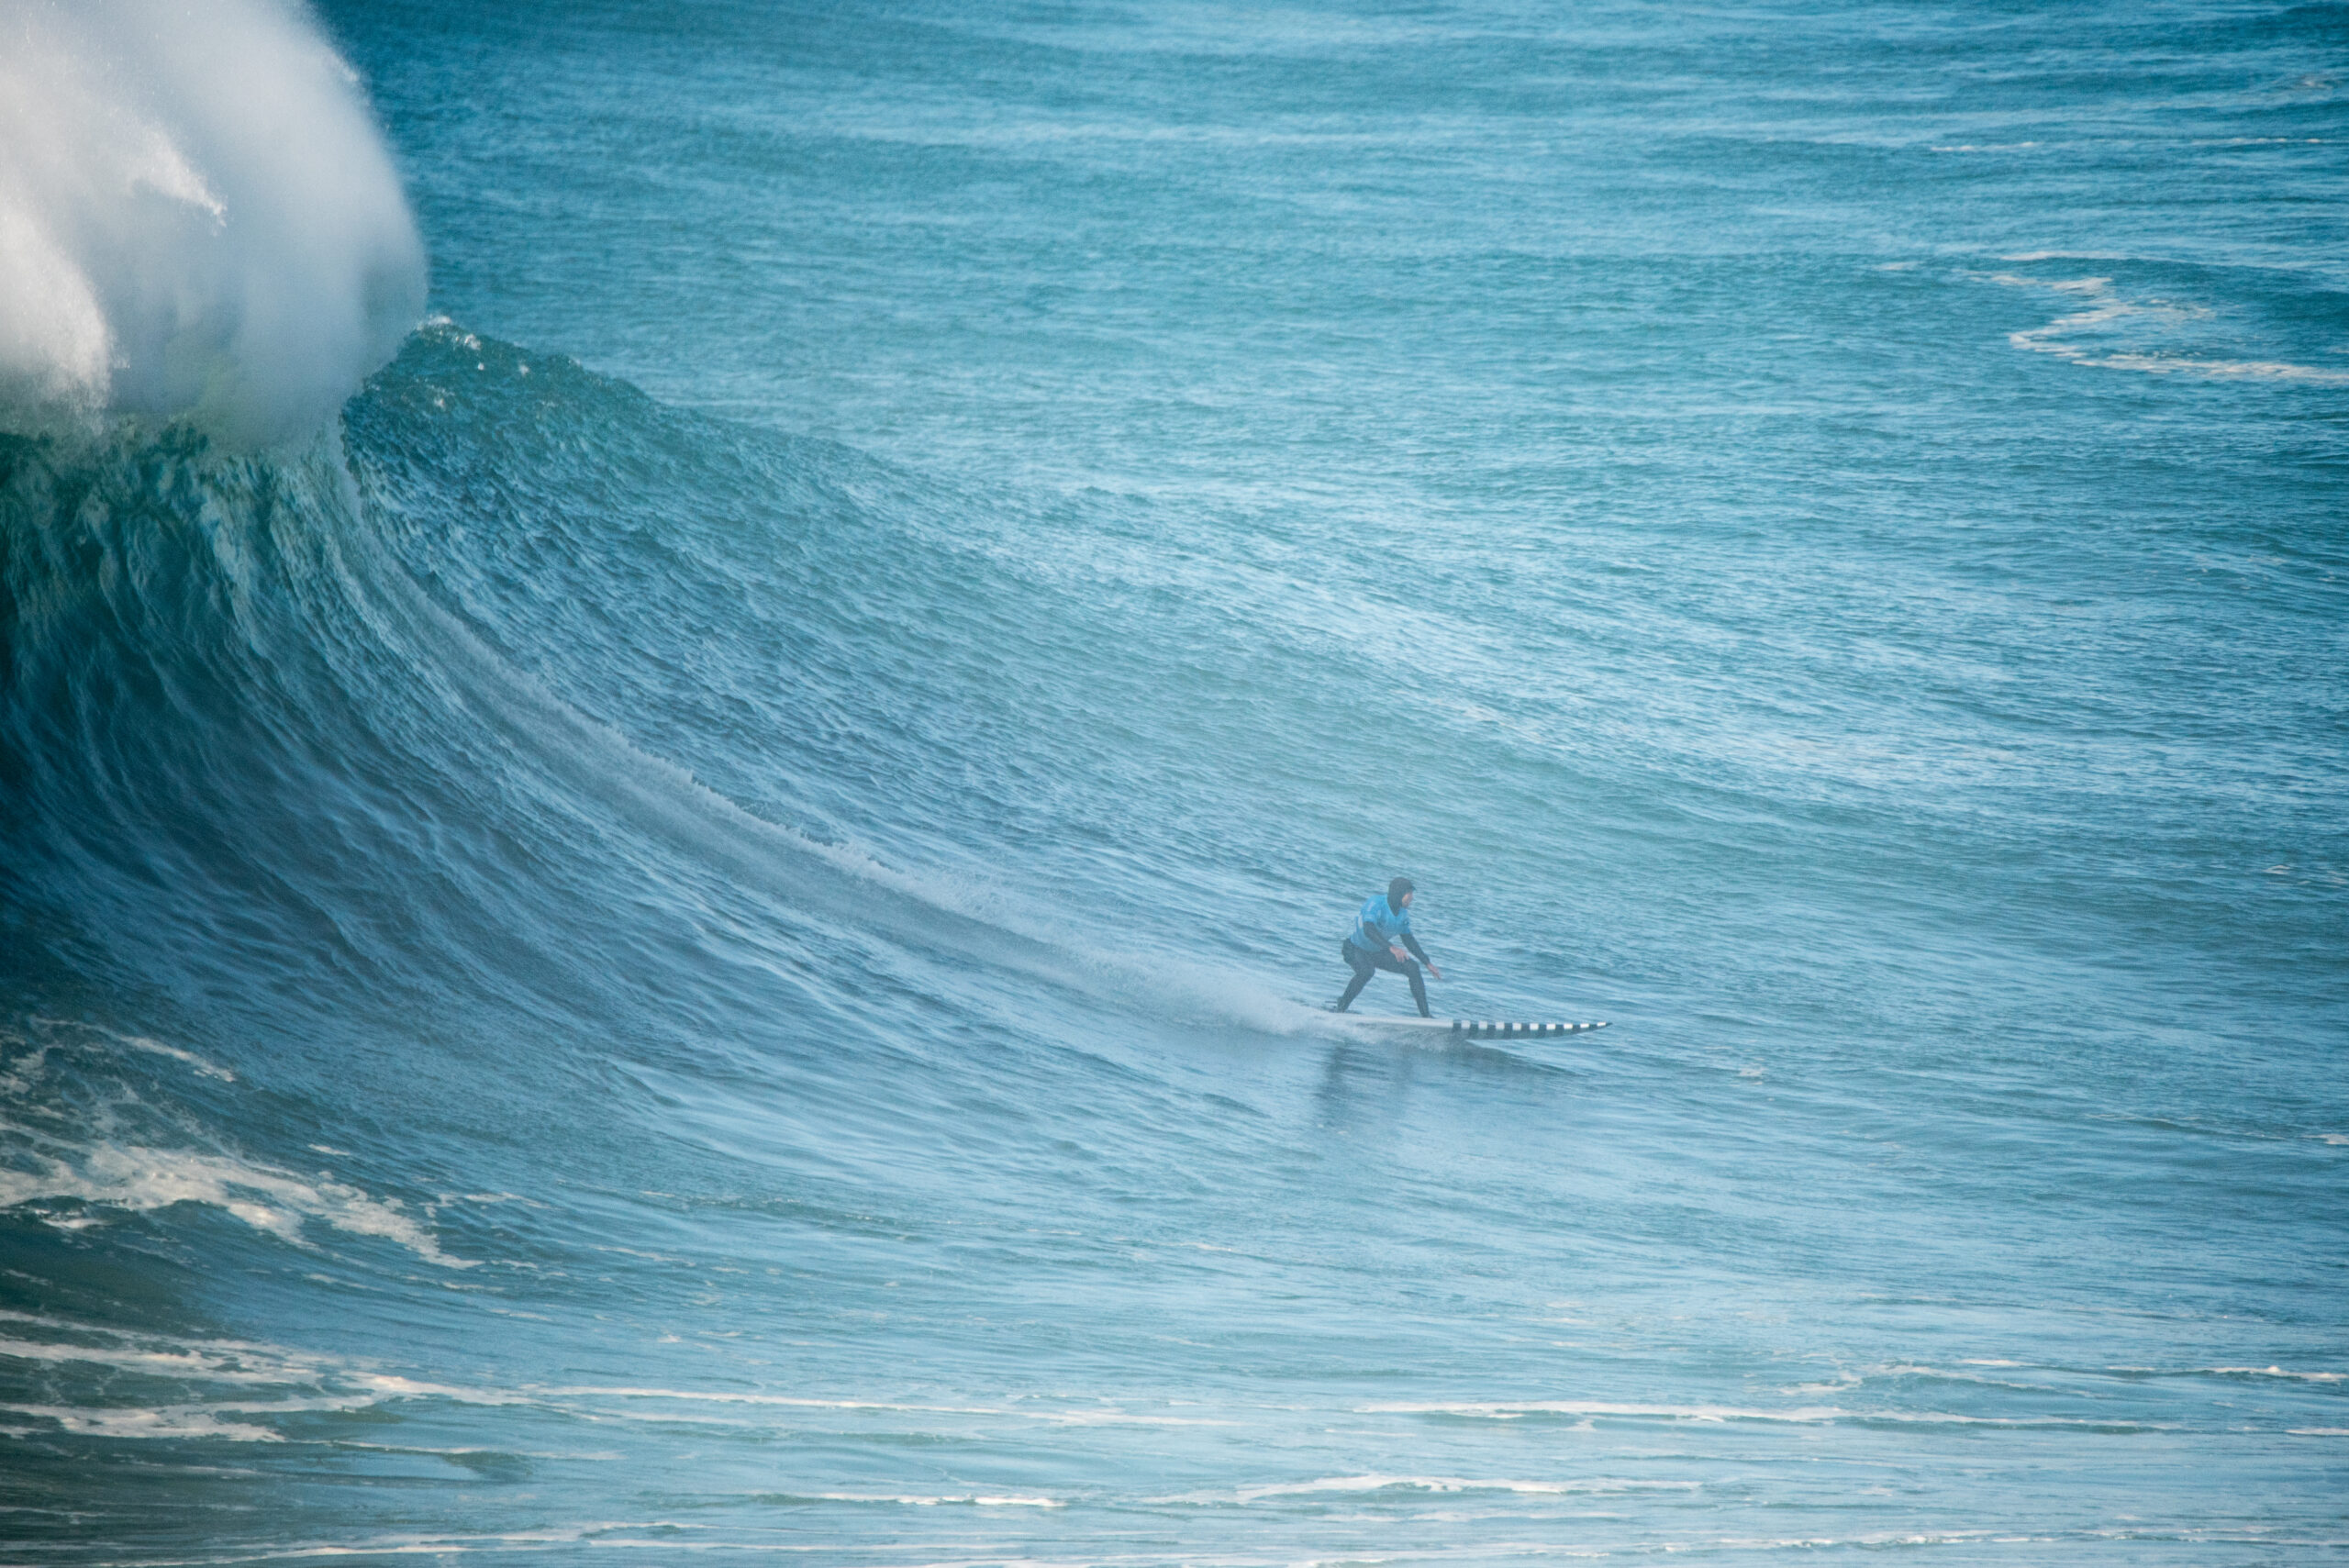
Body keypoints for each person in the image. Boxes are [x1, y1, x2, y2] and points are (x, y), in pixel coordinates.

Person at [1330, 875, 1442, 1017]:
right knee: (1366, 971)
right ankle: (1340, 1008)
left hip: (1377, 953)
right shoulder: (1376, 903)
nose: (1412, 898)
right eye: (1410, 894)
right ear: (1399, 893)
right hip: (1354, 948)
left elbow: (1408, 939)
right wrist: (1392, 947)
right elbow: (1369, 929)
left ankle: (1426, 1016)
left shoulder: (1402, 914)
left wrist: (1427, 962)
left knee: (1412, 968)